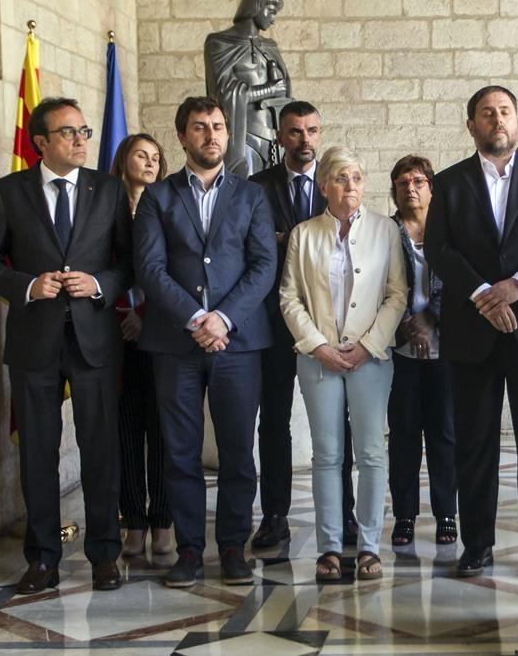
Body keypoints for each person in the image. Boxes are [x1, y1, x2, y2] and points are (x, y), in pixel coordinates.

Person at [0, 97, 133, 593]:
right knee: (37, 453)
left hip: (94, 342)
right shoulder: (8, 192)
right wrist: (26, 285)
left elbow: (129, 263)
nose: (81, 139)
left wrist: (100, 284)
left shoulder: (108, 190)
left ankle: (105, 554)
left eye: (84, 131)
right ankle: (42, 558)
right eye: (68, 132)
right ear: (40, 142)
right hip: (34, 341)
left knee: (100, 451)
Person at [133, 96, 276, 588]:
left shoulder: (252, 196)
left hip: (238, 344)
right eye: (200, 127)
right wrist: (197, 317)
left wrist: (224, 319)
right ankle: (190, 550)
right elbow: (149, 268)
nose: (211, 134)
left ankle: (233, 547)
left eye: (217, 126)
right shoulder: (158, 197)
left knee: (238, 450)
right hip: (176, 343)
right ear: (182, 136)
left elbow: (264, 266)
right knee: (179, 452)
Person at [425, 85, 518, 580]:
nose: (497, 120)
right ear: (471, 126)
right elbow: (438, 249)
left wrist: (517, 286)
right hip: (472, 332)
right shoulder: (449, 182)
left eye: (505, 111)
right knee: (475, 444)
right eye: (487, 113)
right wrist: (485, 293)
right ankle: (476, 543)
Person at [279, 146, 407, 582]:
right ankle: (330, 547)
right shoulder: (304, 233)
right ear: (323, 186)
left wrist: (369, 345)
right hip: (319, 360)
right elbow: (289, 297)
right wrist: (317, 345)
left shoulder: (385, 229)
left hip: (370, 359)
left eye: (355, 177)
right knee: (327, 455)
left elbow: (396, 295)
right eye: (339, 178)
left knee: (372, 453)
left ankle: (369, 546)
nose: (349, 185)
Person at [248, 100, 359, 549]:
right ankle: (274, 516)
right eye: (295, 132)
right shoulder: (255, 188)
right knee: (273, 421)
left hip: (330, 323)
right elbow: (252, 250)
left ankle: (345, 515)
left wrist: (284, 240)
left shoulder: (336, 183)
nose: (305, 140)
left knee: (337, 422)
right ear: (280, 137)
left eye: (312, 130)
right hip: (274, 322)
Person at [388, 155, 458, 547]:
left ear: (432, 187)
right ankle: (405, 515)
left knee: (444, 433)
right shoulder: (384, 233)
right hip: (399, 349)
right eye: (402, 182)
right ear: (394, 191)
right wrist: (404, 324)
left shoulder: (449, 232)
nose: (410, 188)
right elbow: (375, 287)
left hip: (446, 345)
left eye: (418, 181)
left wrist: (431, 317)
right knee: (403, 435)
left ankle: (446, 512)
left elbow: (461, 281)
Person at [109, 133, 172, 557]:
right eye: (140, 155)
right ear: (123, 160)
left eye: (155, 158)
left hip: (161, 330)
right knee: (126, 429)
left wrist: (144, 315)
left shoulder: (169, 207)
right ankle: (132, 521)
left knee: (164, 429)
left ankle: (163, 521)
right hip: (114, 335)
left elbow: (176, 270)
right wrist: (121, 316)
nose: (149, 163)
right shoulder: (103, 208)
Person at [204, 0, 291, 176]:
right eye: (271, 11)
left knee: (273, 200)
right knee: (243, 196)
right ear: (256, 7)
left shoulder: (270, 46)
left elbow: (284, 91)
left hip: (275, 137)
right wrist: (269, 90)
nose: (273, 19)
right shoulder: (220, 42)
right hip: (243, 137)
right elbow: (223, 93)